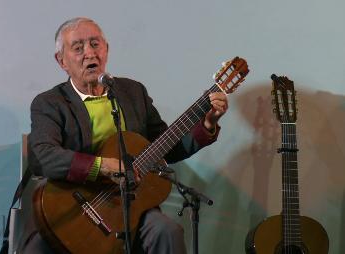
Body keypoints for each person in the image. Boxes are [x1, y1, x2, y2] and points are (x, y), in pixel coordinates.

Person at [21, 17, 228, 254]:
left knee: (168, 232)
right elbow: (44, 156)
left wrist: (208, 123)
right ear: (62, 61)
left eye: (95, 44)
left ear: (106, 49)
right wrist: (102, 166)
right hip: (74, 207)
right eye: (78, 48)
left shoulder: (132, 92)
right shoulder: (50, 103)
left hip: (130, 205)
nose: (89, 53)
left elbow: (165, 147)